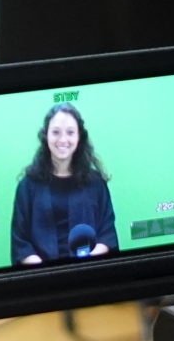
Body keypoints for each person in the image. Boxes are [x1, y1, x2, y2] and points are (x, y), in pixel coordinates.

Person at [10, 104, 118, 264]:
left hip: (90, 274)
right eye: (55, 132)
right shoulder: (28, 186)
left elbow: (107, 235)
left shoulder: (96, 183)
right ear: (46, 135)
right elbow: (21, 242)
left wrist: (86, 265)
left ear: (79, 136)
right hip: (42, 279)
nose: (62, 140)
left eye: (70, 132)